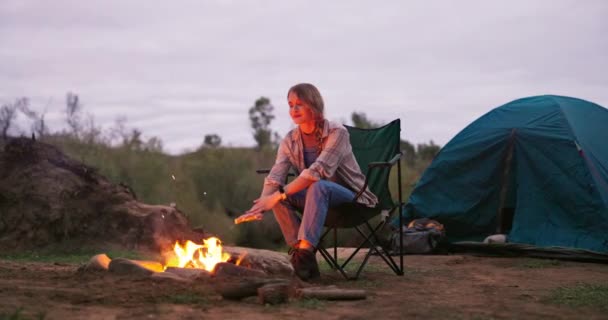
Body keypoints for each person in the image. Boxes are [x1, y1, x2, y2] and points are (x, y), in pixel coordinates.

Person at [244, 83, 378, 281]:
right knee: (279, 196)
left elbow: (317, 172)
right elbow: (275, 176)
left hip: (351, 199)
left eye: (299, 104)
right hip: (316, 201)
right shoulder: (290, 140)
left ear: (313, 105)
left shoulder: (336, 132)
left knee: (317, 185)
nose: (294, 109)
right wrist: (261, 204)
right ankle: (301, 254)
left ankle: (304, 256)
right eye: (290, 105)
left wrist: (278, 195)